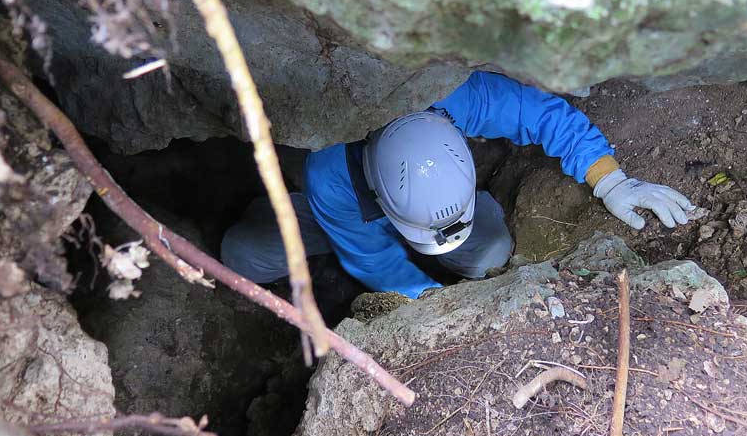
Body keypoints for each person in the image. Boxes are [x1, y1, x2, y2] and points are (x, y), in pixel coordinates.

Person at [222, 72, 694, 299]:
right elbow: (372, 258)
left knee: (489, 252)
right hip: (340, 218)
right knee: (240, 257)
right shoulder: (331, 174)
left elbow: (542, 114)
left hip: (411, 212)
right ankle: (283, 216)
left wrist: (612, 182)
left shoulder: (450, 98)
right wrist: (430, 302)